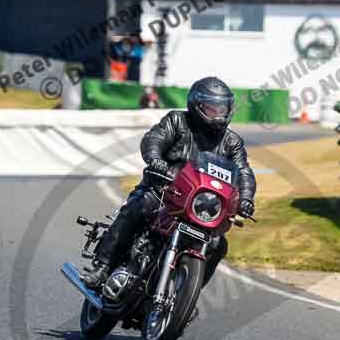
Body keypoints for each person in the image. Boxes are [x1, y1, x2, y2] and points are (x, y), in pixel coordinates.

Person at [82, 76, 256, 290]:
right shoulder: (177, 121)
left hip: (199, 206)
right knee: (140, 205)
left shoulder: (232, 142)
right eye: (213, 109)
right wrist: (155, 159)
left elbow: (244, 171)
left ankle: (188, 291)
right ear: (197, 106)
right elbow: (154, 138)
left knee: (217, 244)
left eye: (223, 109)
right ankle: (103, 266)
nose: (219, 114)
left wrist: (246, 197)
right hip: (162, 192)